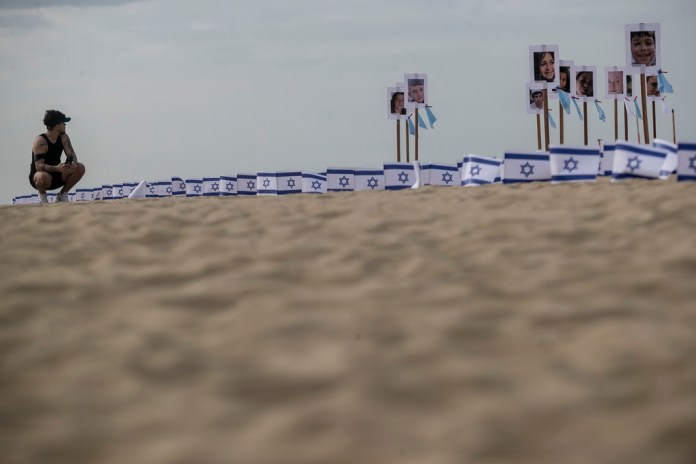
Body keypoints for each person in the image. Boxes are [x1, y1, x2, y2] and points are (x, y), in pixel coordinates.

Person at [29, 110, 86, 204]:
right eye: (63, 122)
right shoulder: (40, 141)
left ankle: (62, 195)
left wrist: (72, 163)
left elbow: (72, 155)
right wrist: (57, 168)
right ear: (57, 126)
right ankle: (42, 196)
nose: (65, 124)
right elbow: (38, 166)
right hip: (42, 177)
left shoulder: (63, 137)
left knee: (80, 167)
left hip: (58, 173)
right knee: (41, 176)